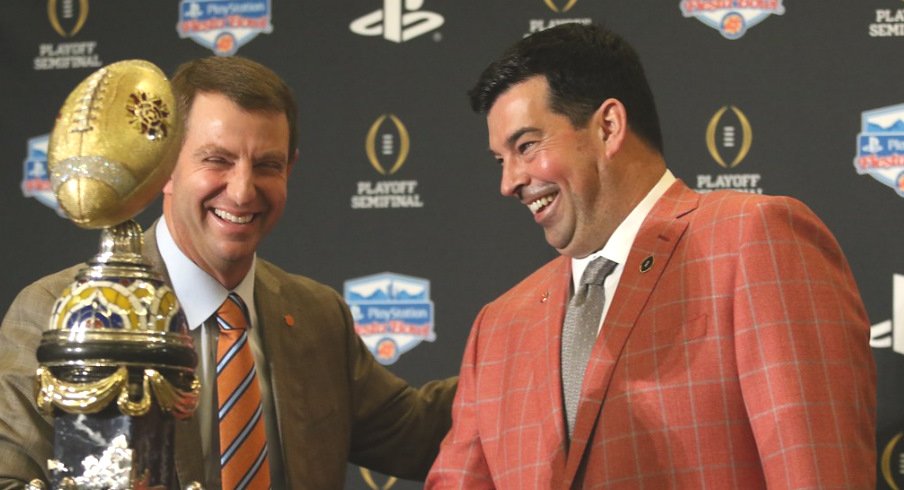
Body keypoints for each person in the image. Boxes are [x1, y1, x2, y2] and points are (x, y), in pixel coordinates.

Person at [426, 24, 875, 489]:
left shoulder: (752, 239)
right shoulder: (497, 328)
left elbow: (818, 473)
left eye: (526, 146)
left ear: (608, 127)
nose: (510, 182)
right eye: (501, 160)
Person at [0, 56, 456, 489]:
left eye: (266, 165)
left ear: (289, 169)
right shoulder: (59, 311)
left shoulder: (317, 315)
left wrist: (521, 332)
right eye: (217, 160)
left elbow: (416, 434)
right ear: (166, 166)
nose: (242, 191)